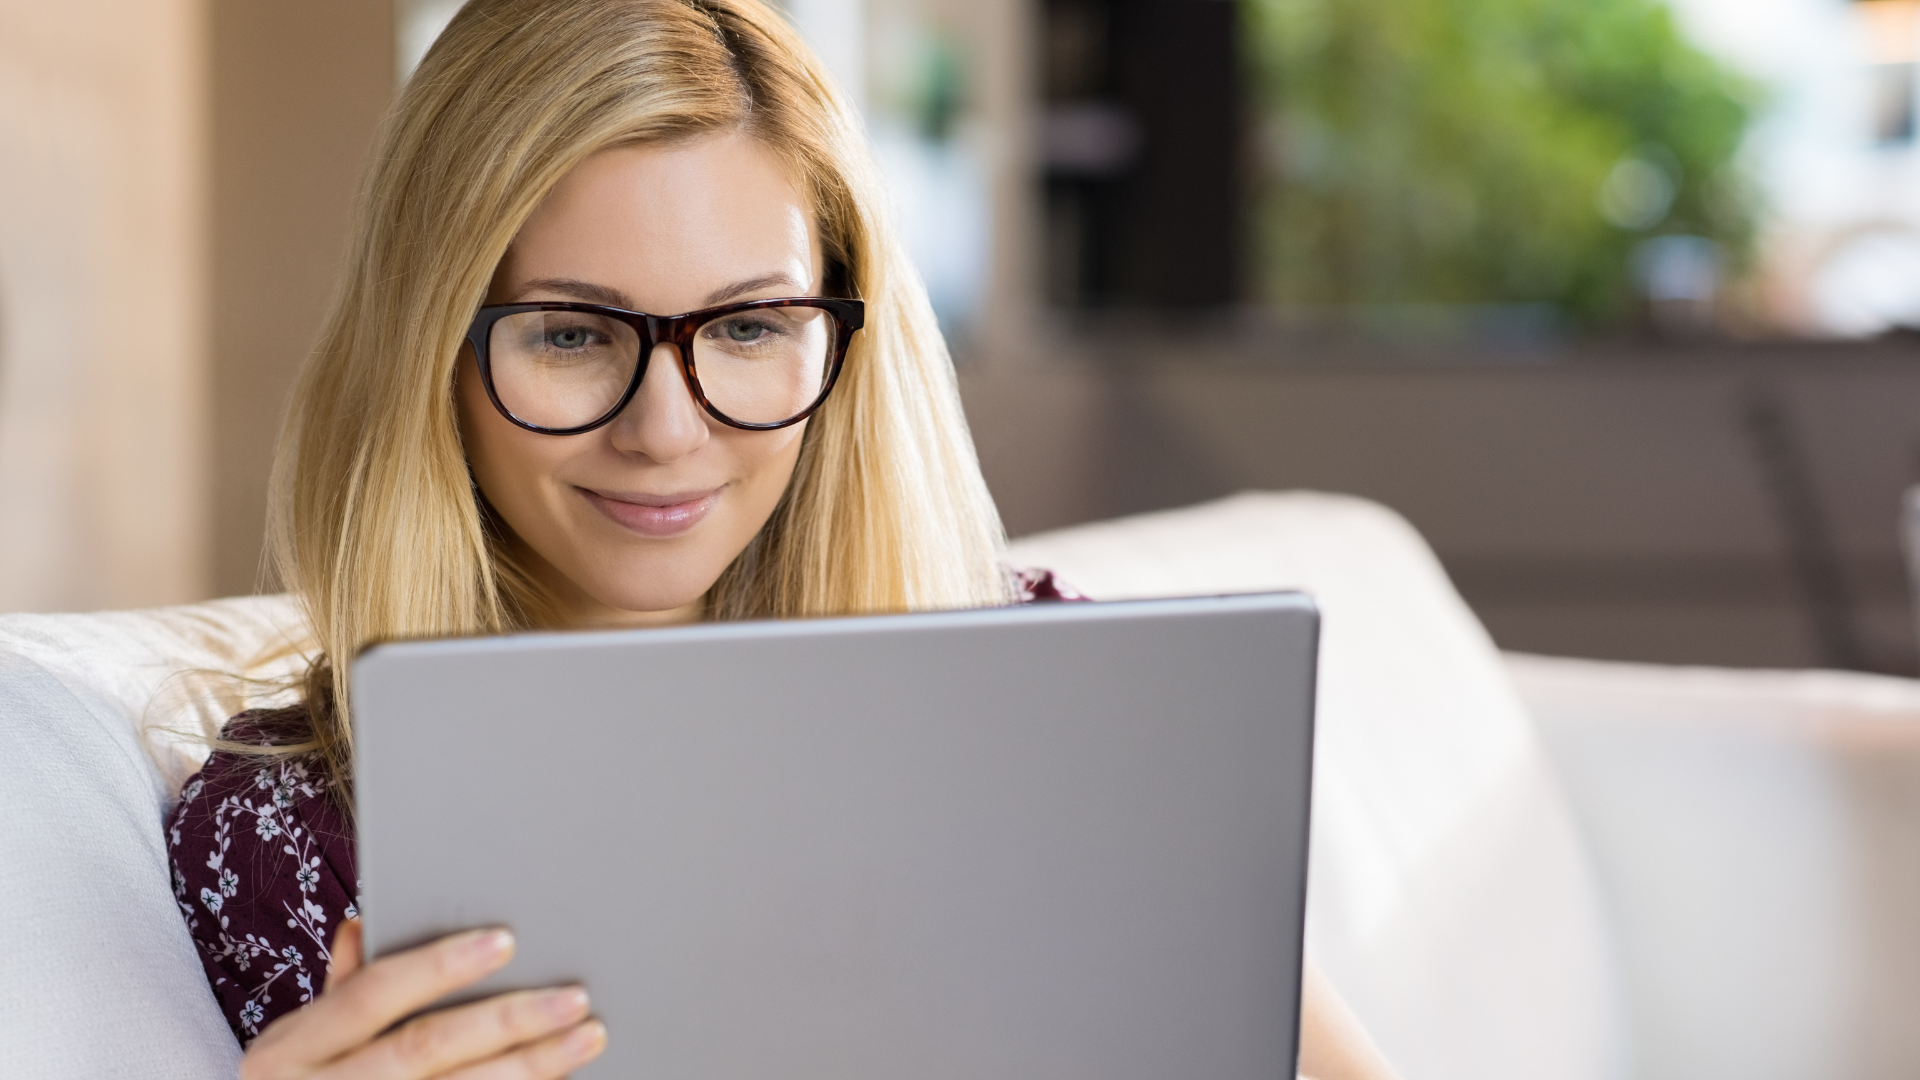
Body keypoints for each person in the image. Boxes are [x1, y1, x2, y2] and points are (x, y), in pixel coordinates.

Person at [165, 1, 1400, 1077]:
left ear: (843, 340)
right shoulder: (293, 834)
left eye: (750, 329)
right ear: (426, 350)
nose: (665, 428)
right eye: (570, 334)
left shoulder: (1051, 696)